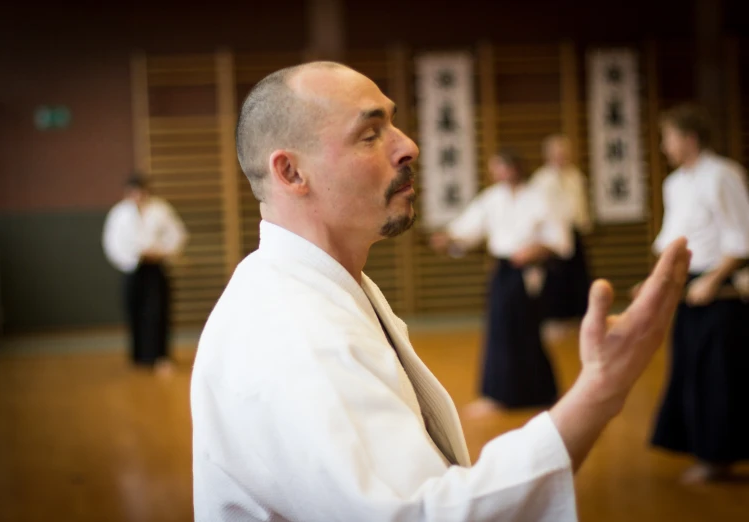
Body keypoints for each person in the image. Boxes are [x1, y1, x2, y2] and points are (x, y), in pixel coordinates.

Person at [190, 61, 690, 521]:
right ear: (291, 172)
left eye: (393, 122)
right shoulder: (292, 333)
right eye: (369, 134)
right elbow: (416, 515)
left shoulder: (315, 288)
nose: (408, 145)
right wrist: (600, 392)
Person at [643, 104, 749, 484]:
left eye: (668, 137)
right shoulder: (675, 184)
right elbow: (672, 241)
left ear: (689, 138)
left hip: (722, 291)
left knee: (719, 376)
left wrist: (713, 279)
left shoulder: (723, 174)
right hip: (691, 287)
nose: (663, 146)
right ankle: (704, 450)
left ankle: (720, 457)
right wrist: (659, 279)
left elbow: (741, 237)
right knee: (689, 370)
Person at [429, 149, 571, 418]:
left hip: (531, 270)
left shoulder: (539, 197)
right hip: (504, 270)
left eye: (502, 167)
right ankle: (499, 395)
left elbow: (560, 239)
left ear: (516, 167)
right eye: (495, 168)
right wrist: (450, 238)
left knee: (529, 331)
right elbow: (468, 228)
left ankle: (543, 392)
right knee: (500, 330)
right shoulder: (493, 198)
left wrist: (539, 248)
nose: (498, 173)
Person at [102, 175, 187, 374]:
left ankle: (160, 356)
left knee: (158, 312)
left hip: (155, 267)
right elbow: (112, 243)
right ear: (127, 194)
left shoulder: (160, 209)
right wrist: (133, 255)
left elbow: (177, 234)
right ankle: (139, 357)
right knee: (134, 311)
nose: (138, 196)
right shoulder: (119, 214)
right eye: (133, 193)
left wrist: (162, 251)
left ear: (146, 192)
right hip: (132, 268)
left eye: (141, 192)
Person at [531, 135, 592, 329]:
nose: (561, 156)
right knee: (554, 276)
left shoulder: (575, 176)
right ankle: (553, 317)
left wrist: (584, 223)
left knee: (578, 274)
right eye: (556, 153)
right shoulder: (541, 179)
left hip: (573, 230)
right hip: (551, 234)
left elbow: (581, 204)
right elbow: (537, 210)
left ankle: (579, 315)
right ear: (547, 155)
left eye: (563, 152)